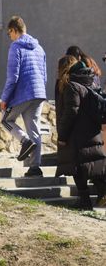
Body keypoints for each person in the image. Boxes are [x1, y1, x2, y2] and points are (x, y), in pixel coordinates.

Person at [55, 55, 106, 210]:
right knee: (92, 166)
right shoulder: (89, 83)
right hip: (91, 132)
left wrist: (62, 135)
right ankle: (102, 194)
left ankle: (84, 201)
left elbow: (71, 112)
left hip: (77, 135)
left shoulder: (72, 86)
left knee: (78, 168)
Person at [0, 16, 47, 177]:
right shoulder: (39, 48)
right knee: (34, 128)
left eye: (9, 34)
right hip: (39, 93)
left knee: (5, 120)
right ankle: (35, 168)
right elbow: (44, 75)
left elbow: (13, 77)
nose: (10, 37)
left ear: (13, 30)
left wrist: (5, 98)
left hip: (23, 93)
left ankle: (24, 141)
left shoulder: (15, 47)